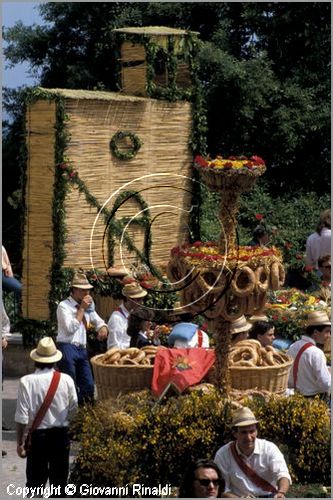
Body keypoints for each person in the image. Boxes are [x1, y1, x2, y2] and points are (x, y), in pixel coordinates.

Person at [15, 337, 78, 497]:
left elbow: (22, 418)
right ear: (55, 359)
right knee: (60, 485)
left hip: (37, 438)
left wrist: (20, 443)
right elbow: (74, 409)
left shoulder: (26, 382)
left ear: (36, 359)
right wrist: (65, 421)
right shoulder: (67, 380)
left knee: (35, 485)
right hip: (61, 436)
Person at [214, 406, 291, 498]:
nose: (248, 437)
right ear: (234, 433)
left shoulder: (269, 448)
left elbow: (282, 474)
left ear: (257, 431)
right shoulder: (223, 455)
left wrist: (281, 493)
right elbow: (222, 490)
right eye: (243, 432)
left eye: (252, 431)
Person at [56, 271, 108, 404]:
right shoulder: (64, 306)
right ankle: (70, 416)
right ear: (74, 290)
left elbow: (98, 320)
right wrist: (82, 309)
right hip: (67, 347)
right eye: (83, 291)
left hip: (82, 349)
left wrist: (103, 327)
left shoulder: (88, 308)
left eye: (88, 291)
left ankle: (84, 416)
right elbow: (70, 328)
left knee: (89, 386)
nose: (87, 294)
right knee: (70, 386)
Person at [286, 311, 331, 398]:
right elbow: (326, 384)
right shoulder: (316, 353)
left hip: (293, 397)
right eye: (327, 332)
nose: (329, 336)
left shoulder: (293, 346)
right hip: (313, 398)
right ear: (315, 332)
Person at [107, 282, 147, 349]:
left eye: (142, 299)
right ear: (128, 299)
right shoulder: (116, 318)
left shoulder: (133, 314)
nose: (141, 302)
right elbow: (113, 347)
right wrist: (134, 345)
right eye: (138, 299)